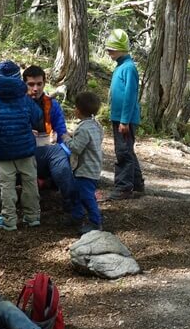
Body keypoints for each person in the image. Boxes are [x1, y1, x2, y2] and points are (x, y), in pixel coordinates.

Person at [0, 61, 42, 230]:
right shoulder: (25, 101)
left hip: (3, 153)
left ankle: (9, 220)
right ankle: (32, 217)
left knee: (7, 187)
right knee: (30, 183)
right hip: (26, 152)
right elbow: (37, 117)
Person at [23, 65, 76, 215]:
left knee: (63, 155)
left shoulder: (52, 105)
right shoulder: (17, 104)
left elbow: (61, 132)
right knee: (56, 154)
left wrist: (67, 152)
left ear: (44, 84)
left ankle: (71, 204)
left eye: (39, 84)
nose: (35, 88)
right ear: (24, 84)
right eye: (31, 84)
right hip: (24, 151)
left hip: (48, 149)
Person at [105, 29, 145, 200]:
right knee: (127, 149)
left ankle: (123, 187)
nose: (109, 52)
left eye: (112, 49)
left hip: (124, 119)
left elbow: (130, 95)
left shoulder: (128, 68)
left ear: (121, 49)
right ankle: (136, 183)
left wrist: (124, 120)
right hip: (119, 117)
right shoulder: (121, 66)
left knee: (123, 152)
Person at [68, 90, 105, 235]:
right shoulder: (96, 125)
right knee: (77, 193)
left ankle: (95, 222)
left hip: (85, 169)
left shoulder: (83, 128)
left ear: (78, 110)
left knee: (86, 196)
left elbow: (76, 148)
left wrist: (66, 138)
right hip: (92, 167)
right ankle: (77, 216)